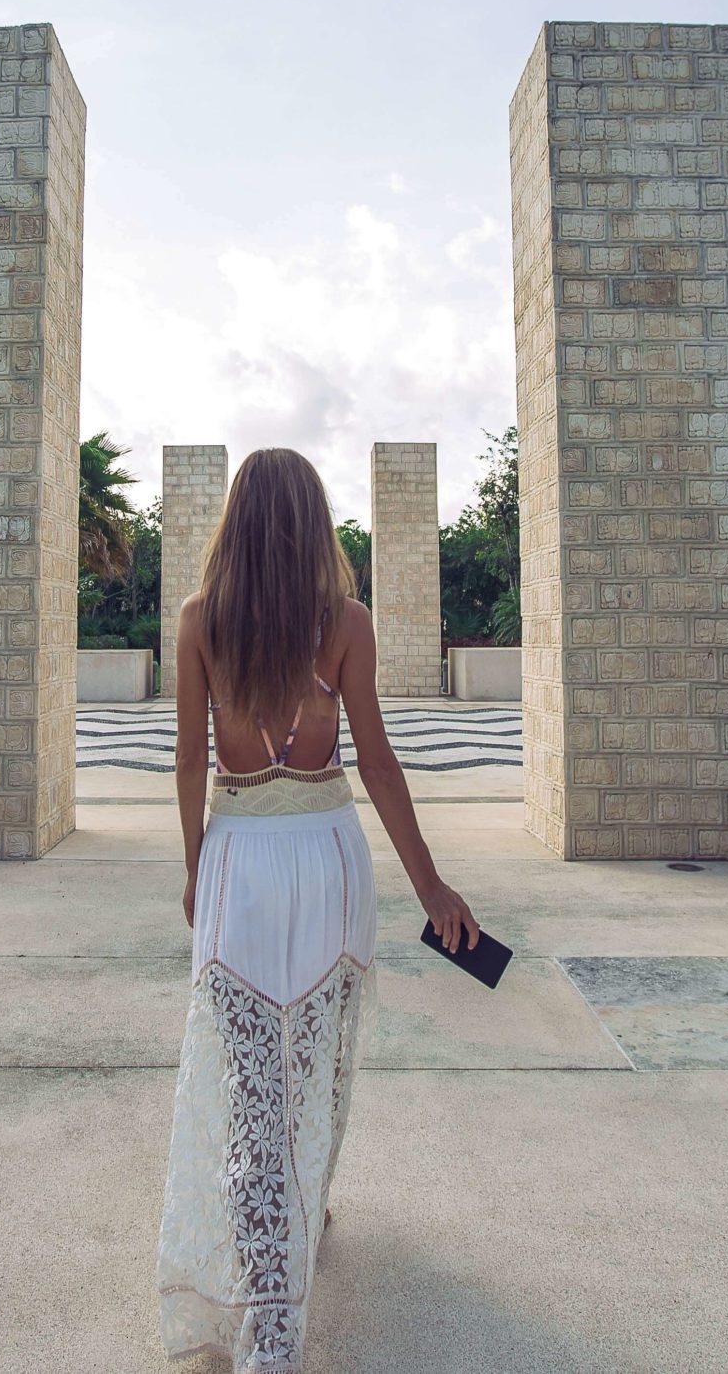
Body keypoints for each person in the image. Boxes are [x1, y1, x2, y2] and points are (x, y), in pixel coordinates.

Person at [155, 447, 479, 1374]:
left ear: (235, 521)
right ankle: (302, 1209)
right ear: (313, 521)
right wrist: (431, 885)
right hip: (329, 856)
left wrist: (194, 869)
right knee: (320, 1061)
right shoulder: (345, 622)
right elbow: (375, 760)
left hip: (241, 857)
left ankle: (266, 1304)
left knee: (253, 1076)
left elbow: (188, 763)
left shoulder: (198, 622)